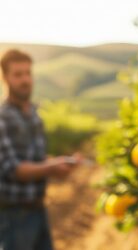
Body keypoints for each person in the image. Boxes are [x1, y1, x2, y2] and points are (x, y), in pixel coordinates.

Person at [0, 49, 81, 250]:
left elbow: (37, 160)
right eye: (18, 74)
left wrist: (60, 162)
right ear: (5, 78)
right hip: (12, 216)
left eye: (28, 73)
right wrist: (52, 167)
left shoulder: (34, 114)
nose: (25, 80)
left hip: (38, 210)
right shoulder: (2, 118)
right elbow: (13, 169)